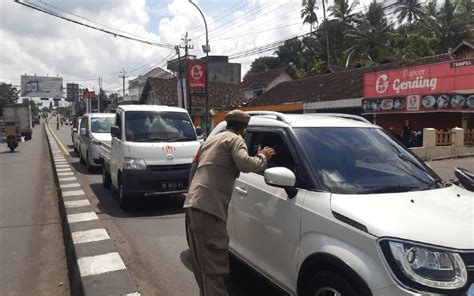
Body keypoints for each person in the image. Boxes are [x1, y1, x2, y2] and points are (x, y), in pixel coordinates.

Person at [184, 109, 276, 296]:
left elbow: (193, 169)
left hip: (193, 206)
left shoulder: (210, 141)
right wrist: (263, 157)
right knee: (216, 268)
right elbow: (244, 163)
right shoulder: (235, 139)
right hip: (210, 212)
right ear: (243, 130)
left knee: (202, 265)